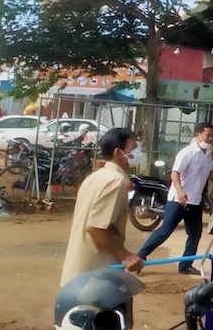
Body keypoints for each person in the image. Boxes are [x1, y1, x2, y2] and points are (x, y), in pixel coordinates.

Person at [60, 128, 145, 327]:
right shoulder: (116, 182)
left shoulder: (95, 177)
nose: (138, 152)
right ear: (118, 153)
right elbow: (96, 228)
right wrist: (125, 256)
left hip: (78, 276)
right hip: (95, 282)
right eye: (134, 147)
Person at [138, 122, 213, 275]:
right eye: (208, 135)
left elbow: (208, 172)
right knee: (165, 231)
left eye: (212, 135)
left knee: (195, 233)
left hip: (195, 201)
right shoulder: (187, 153)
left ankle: (185, 264)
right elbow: (175, 173)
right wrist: (180, 192)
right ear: (198, 135)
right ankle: (140, 256)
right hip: (178, 200)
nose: (211, 138)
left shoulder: (207, 153)